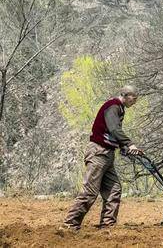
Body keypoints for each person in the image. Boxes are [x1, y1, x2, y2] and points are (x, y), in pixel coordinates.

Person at [63, 85, 143, 230]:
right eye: (134, 98)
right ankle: (70, 225)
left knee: (114, 189)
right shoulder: (113, 106)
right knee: (90, 192)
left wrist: (125, 148)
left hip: (107, 154)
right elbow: (114, 128)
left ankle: (107, 226)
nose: (135, 101)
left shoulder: (119, 108)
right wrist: (129, 144)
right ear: (125, 95)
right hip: (99, 153)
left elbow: (111, 134)